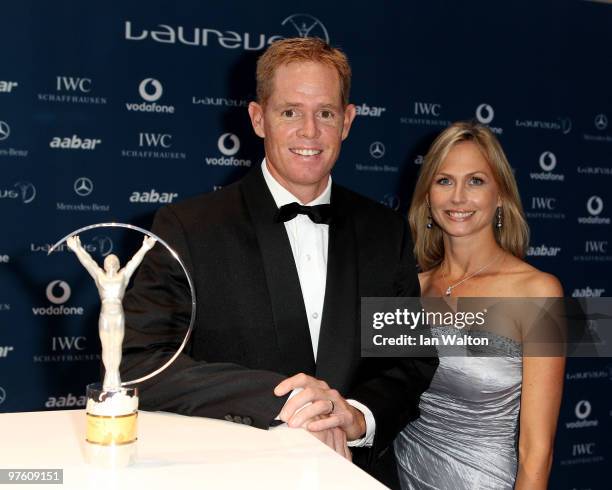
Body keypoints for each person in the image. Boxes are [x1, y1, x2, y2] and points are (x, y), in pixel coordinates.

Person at [121, 37, 437, 485]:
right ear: (258, 118)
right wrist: (284, 401)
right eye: (290, 112)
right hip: (233, 475)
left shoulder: (385, 232)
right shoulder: (189, 227)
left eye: (325, 113)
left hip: (356, 475)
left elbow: (409, 362)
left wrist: (356, 415)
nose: (309, 131)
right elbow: (141, 365)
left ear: (347, 122)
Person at [394, 121, 565, 489]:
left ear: (500, 194)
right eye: (443, 181)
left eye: (475, 181)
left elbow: (537, 453)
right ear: (427, 196)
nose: (458, 198)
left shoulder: (538, 292)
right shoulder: (410, 290)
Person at [66, 235, 156, 390]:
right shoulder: (99, 276)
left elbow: (134, 262)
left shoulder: (123, 276)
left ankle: (116, 376)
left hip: (118, 315)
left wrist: (145, 247)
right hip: (105, 315)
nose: (111, 262)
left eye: (114, 260)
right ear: (105, 264)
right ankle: (109, 377)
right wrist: (77, 248)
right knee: (107, 346)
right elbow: (88, 262)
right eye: (108, 260)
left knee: (117, 345)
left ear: (118, 264)